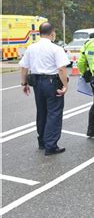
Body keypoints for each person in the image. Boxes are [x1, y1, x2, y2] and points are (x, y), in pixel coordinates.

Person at [19, 22, 70, 155]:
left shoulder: (31, 48)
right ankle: (51, 146)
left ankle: (42, 142)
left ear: (39, 33)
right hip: (52, 82)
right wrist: (65, 85)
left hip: (37, 83)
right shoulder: (56, 48)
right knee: (54, 112)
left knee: (42, 112)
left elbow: (24, 67)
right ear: (52, 33)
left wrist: (24, 84)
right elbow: (61, 69)